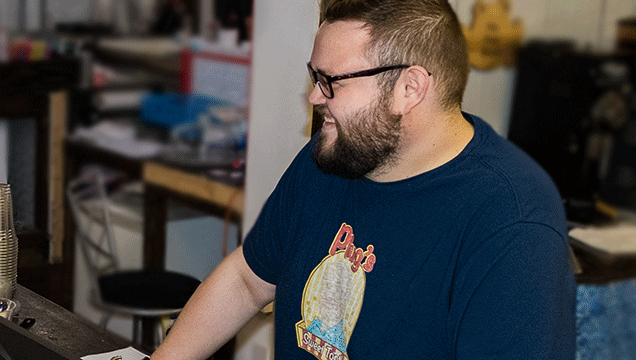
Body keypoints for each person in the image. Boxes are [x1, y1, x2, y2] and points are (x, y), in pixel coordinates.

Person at [152, 0, 575, 359]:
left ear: (410, 88)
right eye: (315, 77)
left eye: (331, 81)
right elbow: (246, 281)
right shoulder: (332, 157)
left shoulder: (514, 223)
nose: (316, 97)